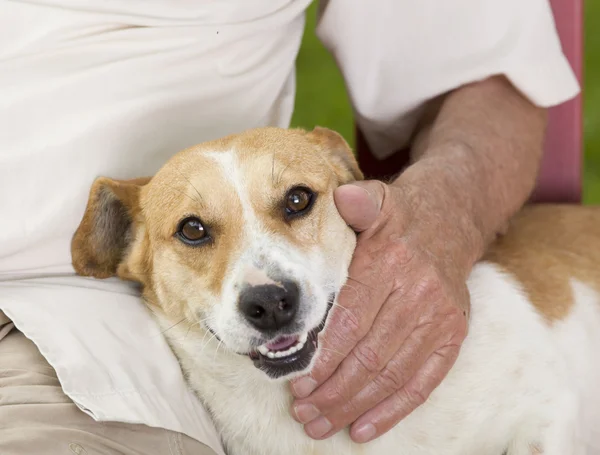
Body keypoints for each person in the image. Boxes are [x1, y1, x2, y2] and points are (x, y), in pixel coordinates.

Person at [0, 0, 579, 453]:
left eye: (296, 202)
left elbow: (550, 404)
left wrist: (438, 224)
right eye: (197, 233)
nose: (266, 291)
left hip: (51, 330)